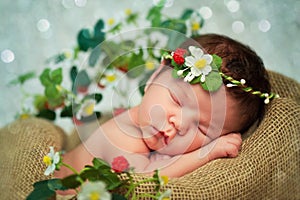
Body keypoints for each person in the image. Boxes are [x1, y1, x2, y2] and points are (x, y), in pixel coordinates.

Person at [55, 33, 275, 180]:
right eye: (177, 100)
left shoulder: (152, 135)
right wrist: (206, 153)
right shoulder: (123, 136)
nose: (179, 124)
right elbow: (146, 181)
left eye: (203, 129)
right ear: (155, 76)